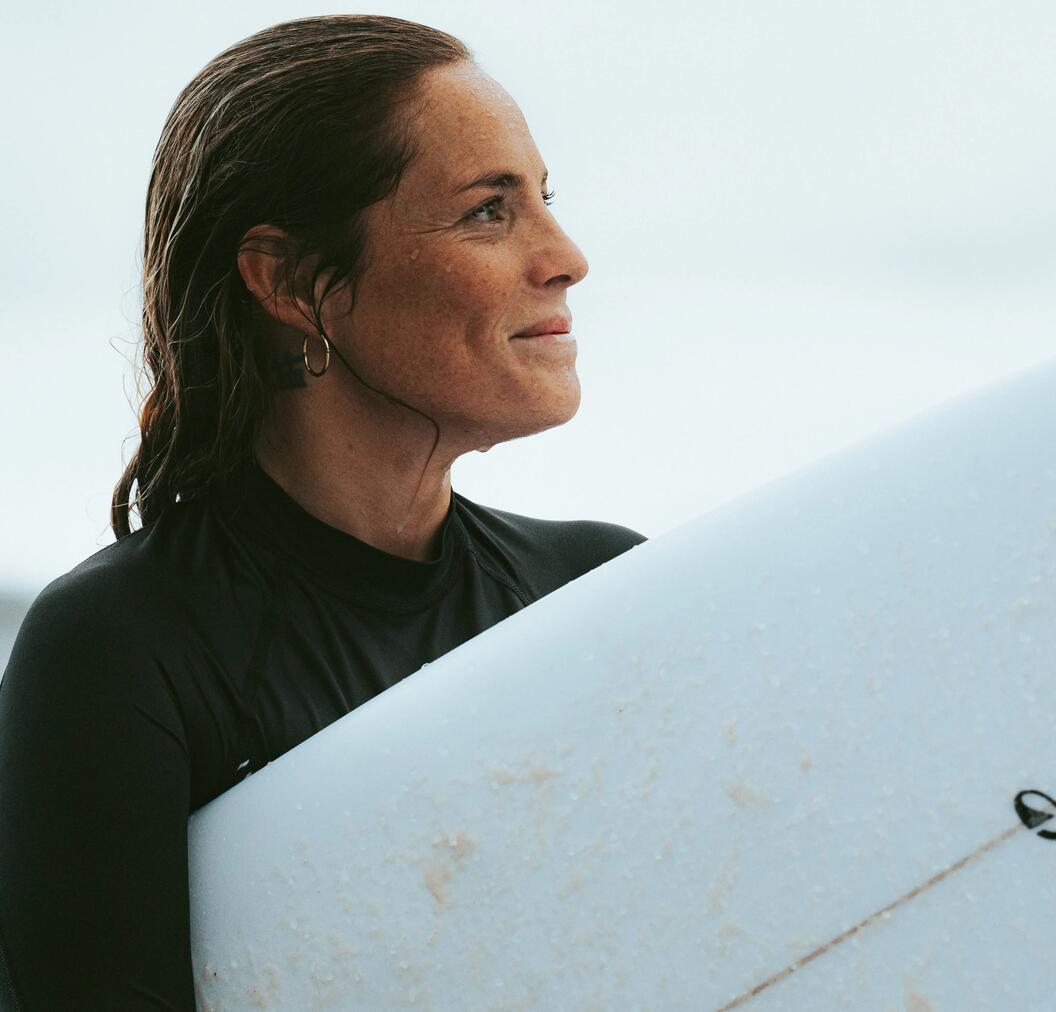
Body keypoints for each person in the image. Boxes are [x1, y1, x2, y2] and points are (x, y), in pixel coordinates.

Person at [0, 16, 644, 1010]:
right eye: (488, 211)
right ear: (291, 280)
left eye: (545, 200)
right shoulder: (123, 652)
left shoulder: (600, 592)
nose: (566, 257)